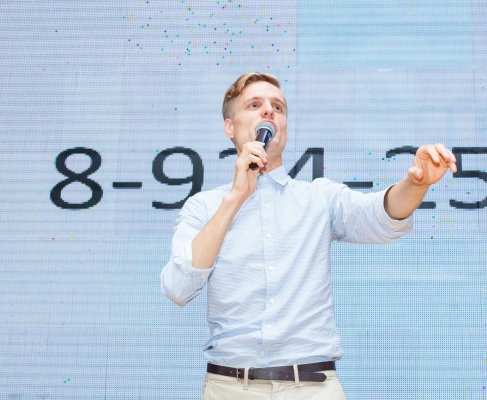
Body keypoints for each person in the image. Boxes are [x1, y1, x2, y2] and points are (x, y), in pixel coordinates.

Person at [160, 72, 457, 399]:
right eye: (254, 105)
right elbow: (178, 288)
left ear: (285, 128)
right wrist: (235, 198)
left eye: (278, 107)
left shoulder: (319, 198)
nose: (269, 111)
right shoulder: (203, 207)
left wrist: (415, 185)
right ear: (229, 126)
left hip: (312, 388)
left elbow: (380, 216)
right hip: (230, 387)